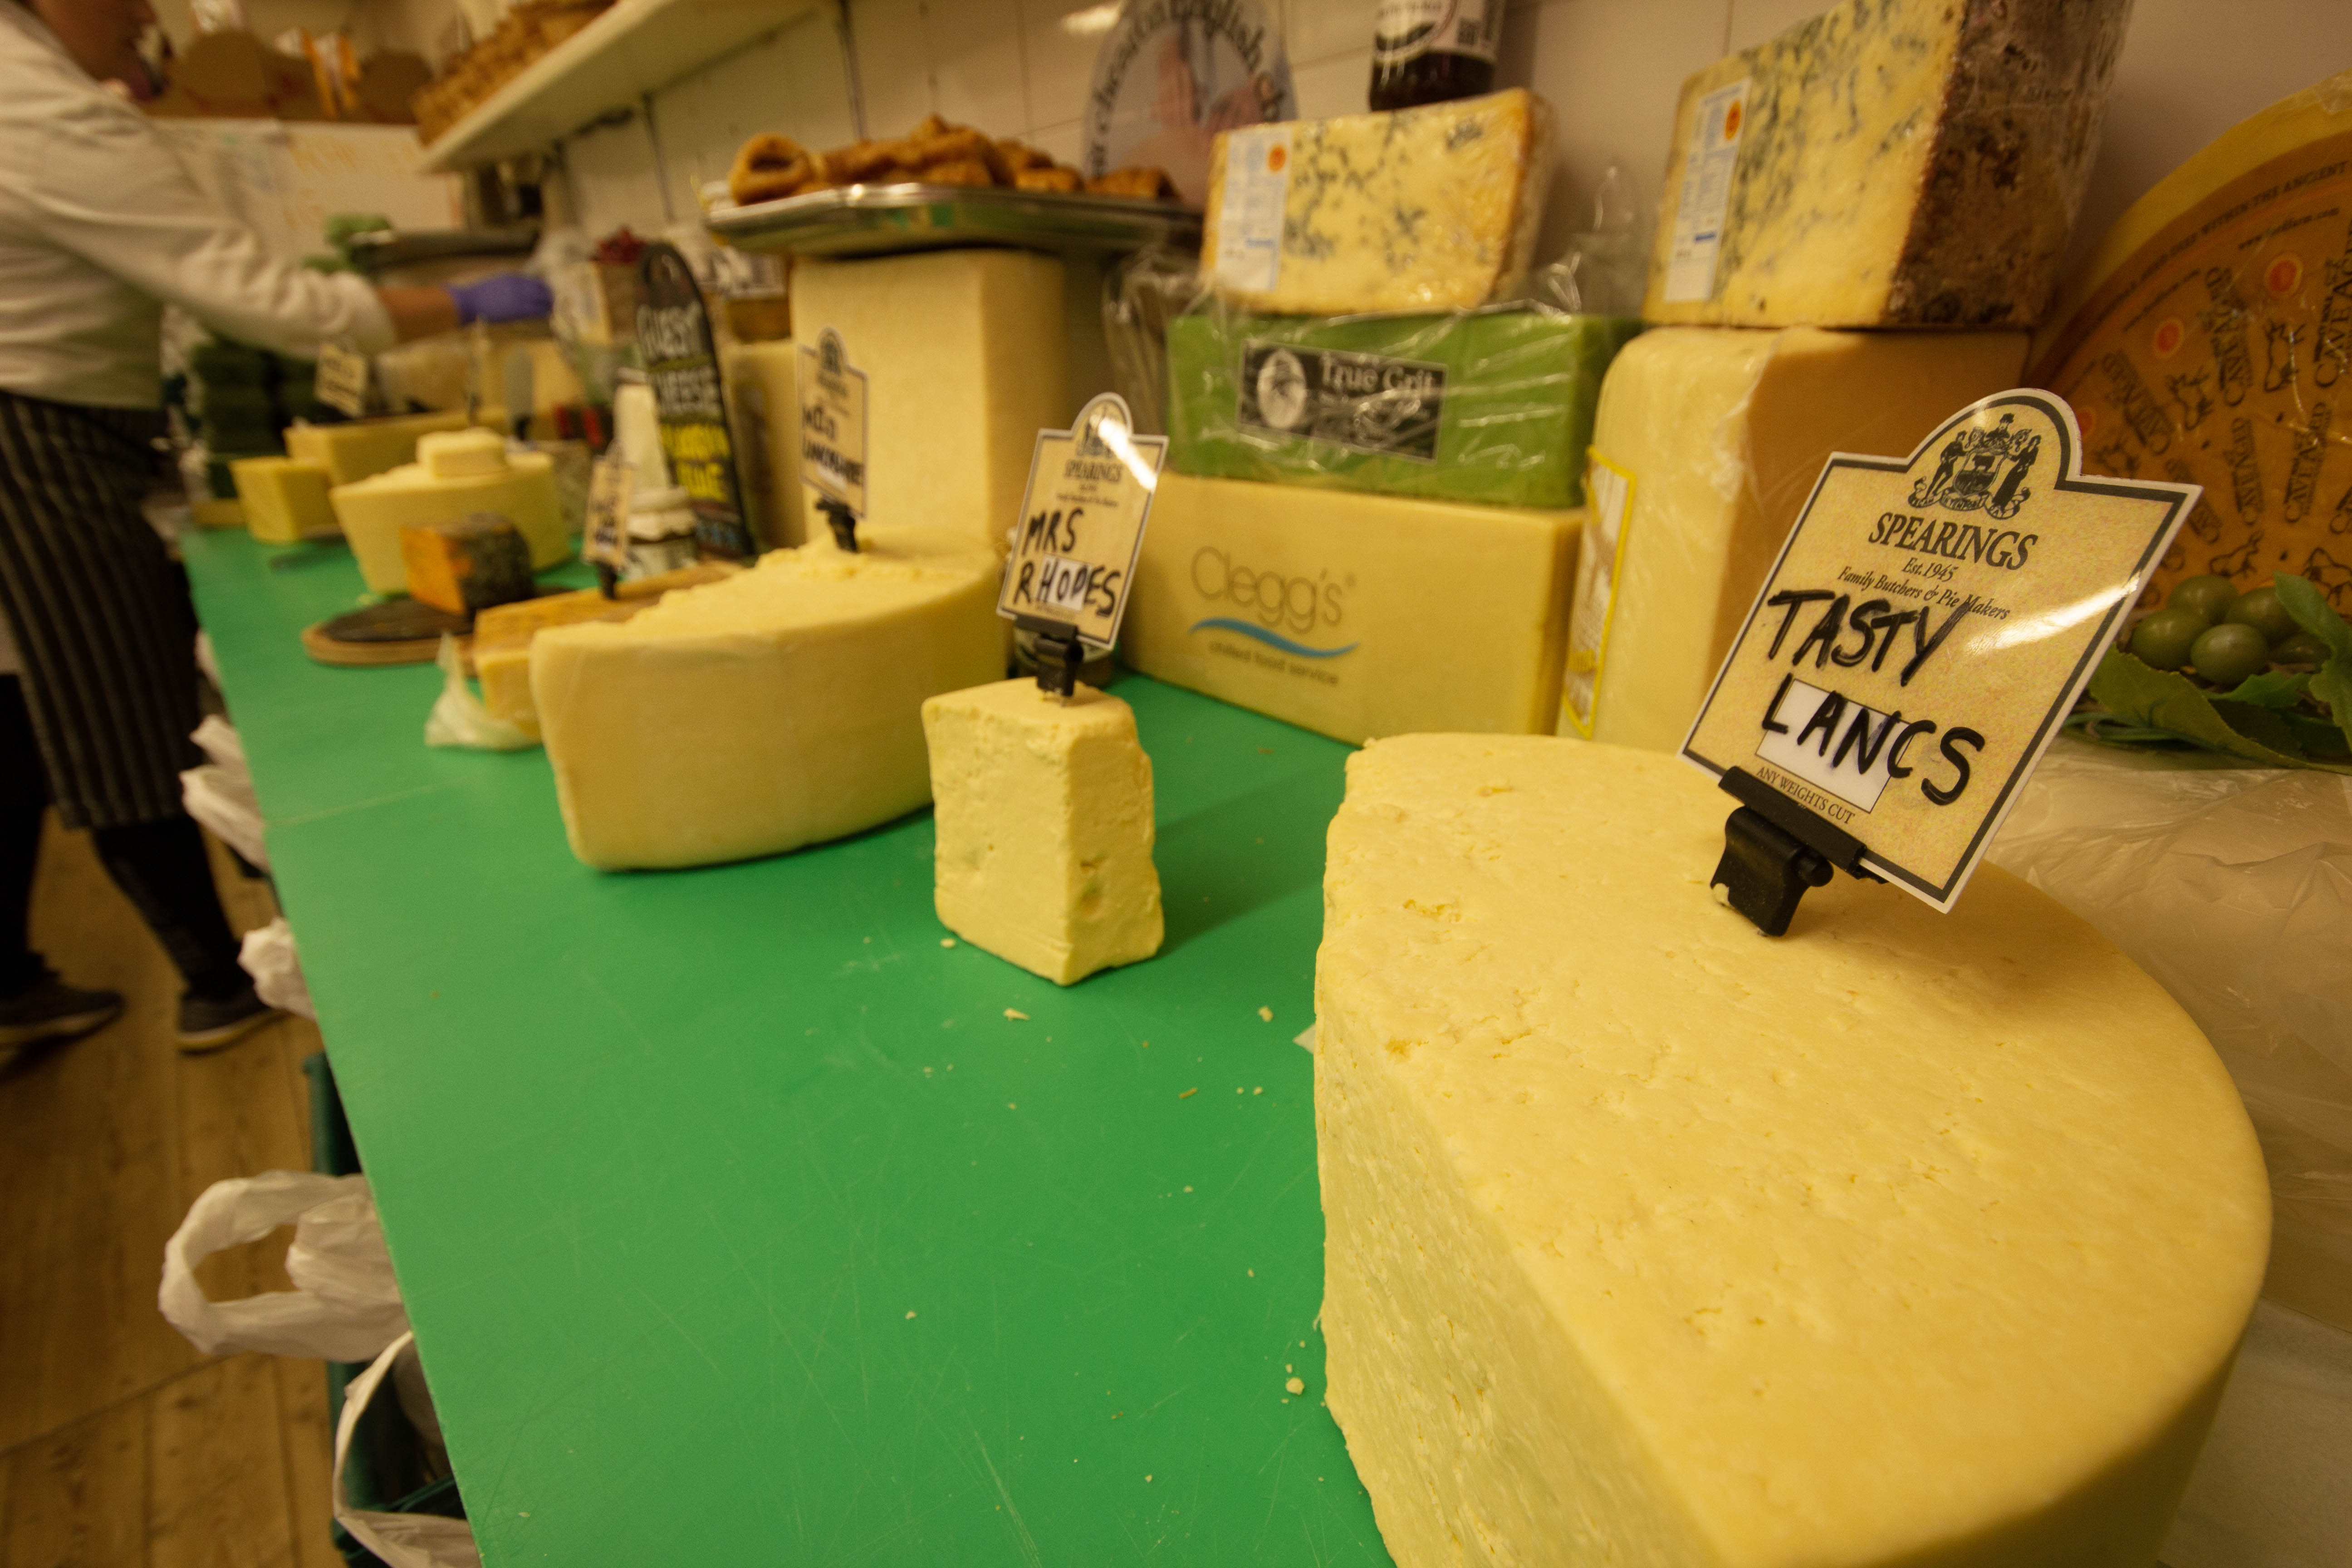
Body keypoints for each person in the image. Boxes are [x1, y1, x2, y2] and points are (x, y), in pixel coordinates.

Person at [0, 0, 551, 1053]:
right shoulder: (31, 104)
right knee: (112, 714)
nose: (148, 15)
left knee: (54, 711)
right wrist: (472, 302)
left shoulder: (51, 91)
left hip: (72, 427)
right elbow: (262, 299)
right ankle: (213, 982)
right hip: (35, 437)